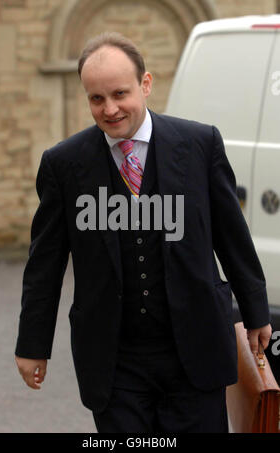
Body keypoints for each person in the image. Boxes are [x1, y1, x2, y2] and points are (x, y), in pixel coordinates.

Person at [15, 32, 272, 433]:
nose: (110, 109)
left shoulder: (201, 144)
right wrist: (32, 344)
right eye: (96, 99)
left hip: (196, 348)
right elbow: (44, 264)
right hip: (115, 361)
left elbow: (231, 236)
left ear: (146, 84)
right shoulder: (63, 164)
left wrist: (256, 313)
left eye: (120, 93)